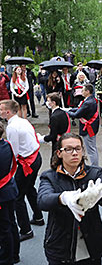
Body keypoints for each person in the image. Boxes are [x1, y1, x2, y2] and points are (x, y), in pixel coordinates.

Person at [38, 133, 102, 265]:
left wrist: (101, 193)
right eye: (68, 149)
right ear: (59, 153)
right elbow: (43, 200)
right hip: (60, 245)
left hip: (91, 243)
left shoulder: (95, 173)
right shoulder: (49, 176)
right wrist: (63, 198)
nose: (74, 153)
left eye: (78, 148)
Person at [0, 99, 44, 242]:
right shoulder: (22, 120)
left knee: (18, 197)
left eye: (1, 109)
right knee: (29, 188)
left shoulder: (12, 128)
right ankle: (38, 216)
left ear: (7, 112)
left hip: (27, 162)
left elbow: (13, 151)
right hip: (36, 157)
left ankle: (26, 230)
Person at [0, 123, 20, 264]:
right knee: (11, 223)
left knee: (4, 228)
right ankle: (14, 254)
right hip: (9, 188)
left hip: (2, 193)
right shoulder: (6, 144)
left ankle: (7, 259)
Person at [67, 84, 100, 167]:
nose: (81, 92)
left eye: (83, 90)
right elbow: (80, 109)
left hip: (89, 128)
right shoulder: (91, 100)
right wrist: (71, 110)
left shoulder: (88, 102)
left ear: (87, 92)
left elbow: (77, 114)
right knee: (92, 147)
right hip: (92, 126)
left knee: (91, 149)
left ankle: (94, 167)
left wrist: (67, 112)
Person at [37, 93, 71, 157]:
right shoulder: (63, 112)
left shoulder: (54, 117)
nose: (47, 103)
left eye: (48, 101)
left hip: (57, 144)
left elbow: (53, 136)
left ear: (53, 103)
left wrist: (41, 138)